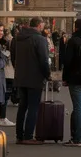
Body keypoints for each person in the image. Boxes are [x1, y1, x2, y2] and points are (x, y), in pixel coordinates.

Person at [11, 16, 51, 144]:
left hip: (20, 77)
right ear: (39, 25)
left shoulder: (17, 39)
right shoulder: (40, 40)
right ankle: (28, 136)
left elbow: (13, 58)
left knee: (22, 106)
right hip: (35, 78)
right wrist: (47, 75)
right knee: (33, 107)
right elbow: (44, 60)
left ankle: (20, 135)